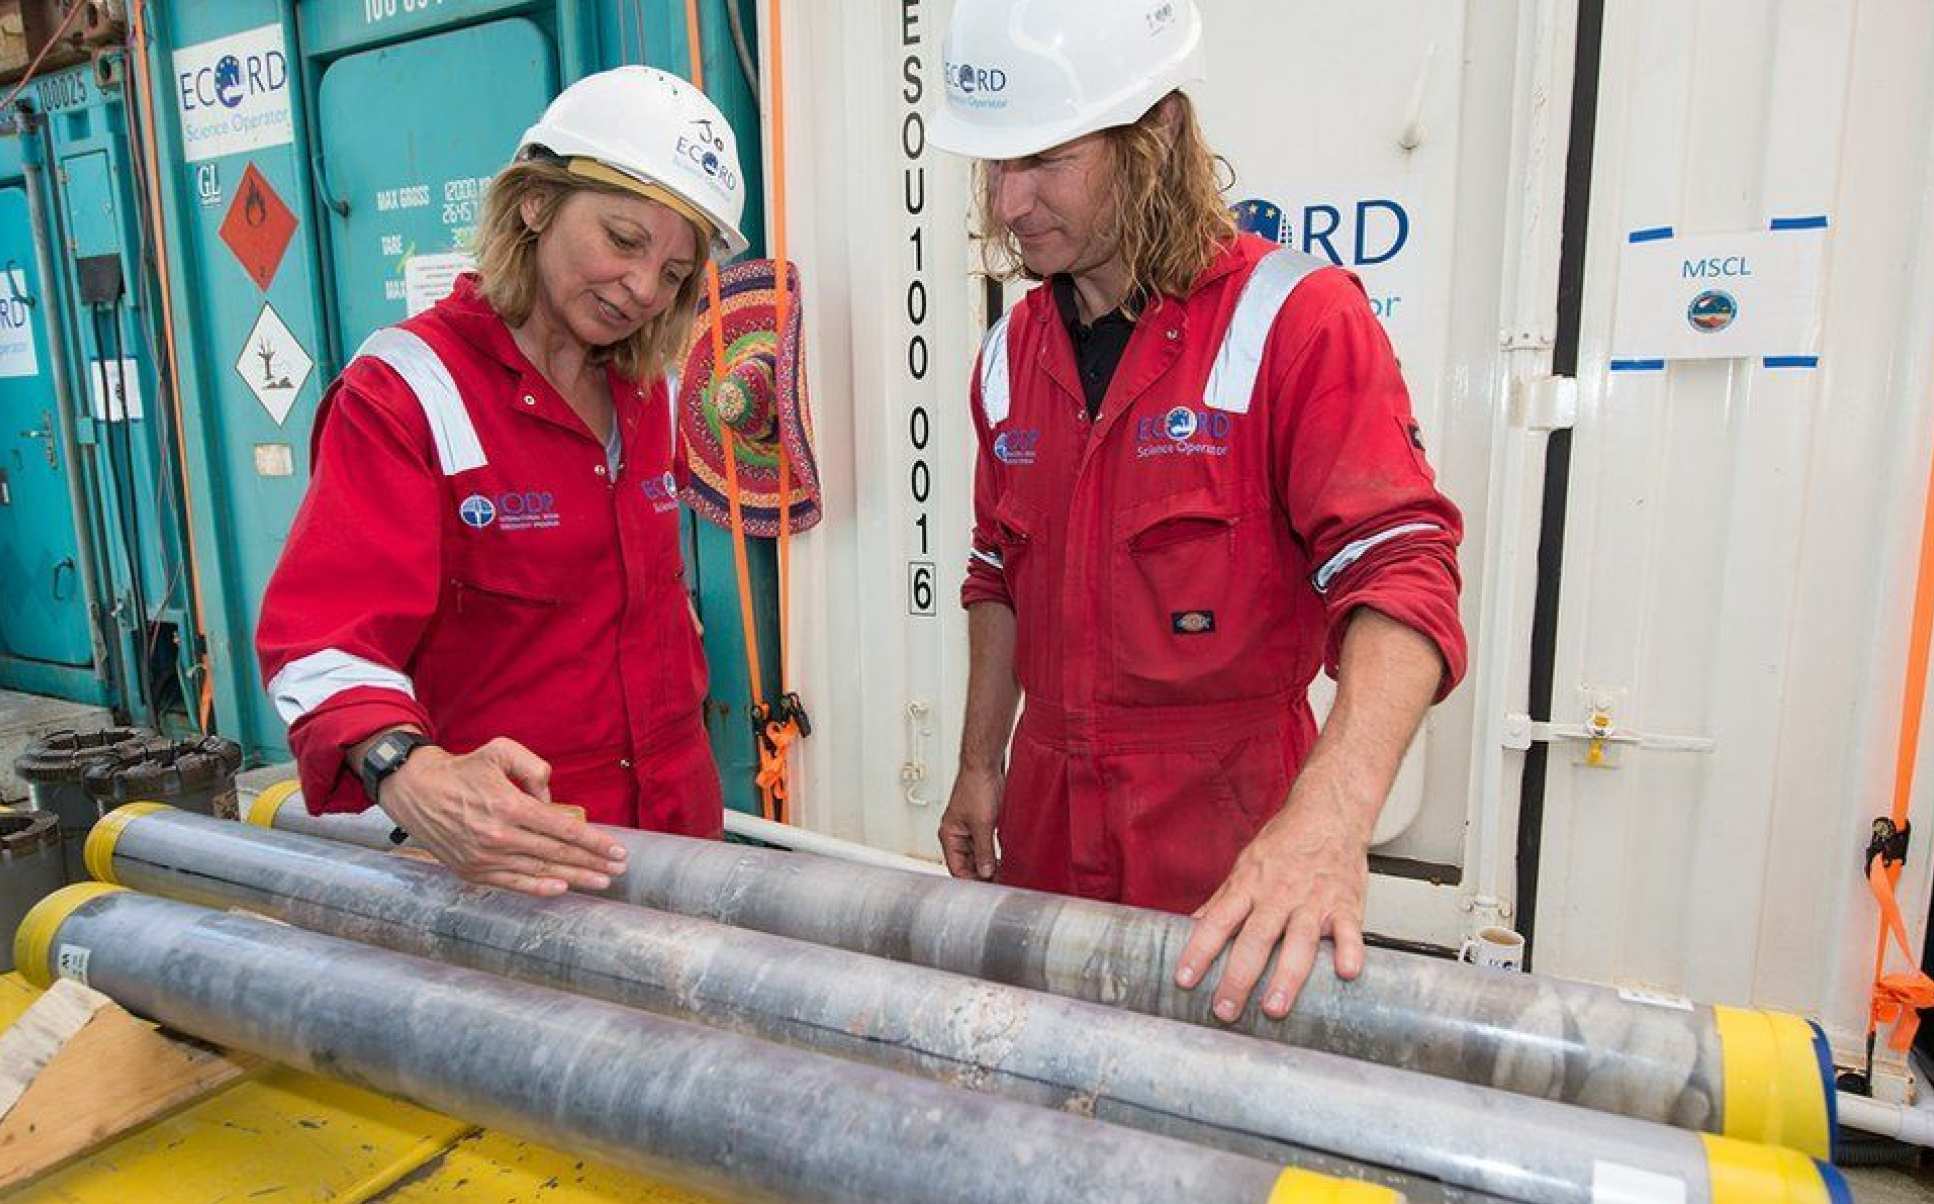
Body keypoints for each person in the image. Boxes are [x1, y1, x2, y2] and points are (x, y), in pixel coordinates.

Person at [929, 0, 1467, 1022]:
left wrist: (1328, 818)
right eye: (992, 165)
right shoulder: (1005, 356)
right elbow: (996, 574)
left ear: (1157, 133)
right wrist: (976, 765)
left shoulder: (1295, 320)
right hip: (1045, 820)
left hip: (1227, 843)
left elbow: (1402, 570)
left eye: (1042, 157)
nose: (1008, 202)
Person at [256, 67, 747, 896]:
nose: (641, 288)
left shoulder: (651, 390)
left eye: (673, 272)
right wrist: (404, 767)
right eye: (624, 240)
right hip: (512, 861)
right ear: (535, 202)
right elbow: (324, 640)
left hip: (674, 839)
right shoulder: (410, 389)